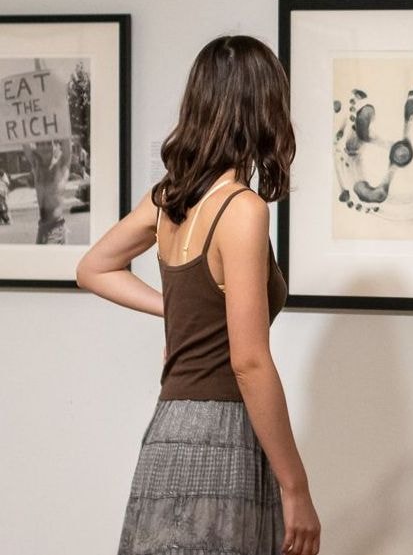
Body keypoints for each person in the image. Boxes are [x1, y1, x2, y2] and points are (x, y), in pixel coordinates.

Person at [76, 35, 321, 555]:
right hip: (224, 436)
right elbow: (250, 362)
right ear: (261, 108)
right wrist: (296, 488)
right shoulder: (242, 209)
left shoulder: (168, 199)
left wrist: (179, 310)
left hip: (167, 433)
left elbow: (93, 267)